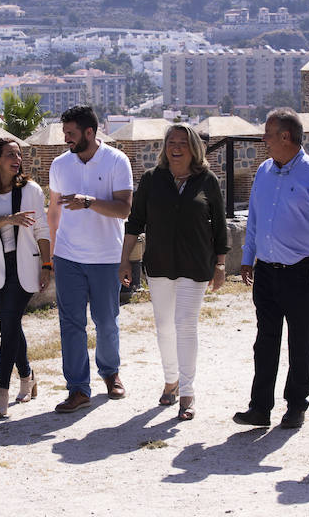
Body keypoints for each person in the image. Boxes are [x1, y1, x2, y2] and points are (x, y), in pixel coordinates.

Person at [234, 107, 309, 430]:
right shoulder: (264, 171)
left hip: (301, 271)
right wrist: (248, 256)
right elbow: (254, 218)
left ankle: (296, 405)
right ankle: (260, 407)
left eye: (268, 133)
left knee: (300, 341)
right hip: (266, 271)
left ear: (285, 136)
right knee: (265, 340)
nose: (263, 139)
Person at [120, 124, 229, 421]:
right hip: (160, 265)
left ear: (194, 147)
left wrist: (220, 265)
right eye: (171, 142)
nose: (176, 147)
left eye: (183, 142)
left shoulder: (207, 181)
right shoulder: (152, 180)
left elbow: (219, 226)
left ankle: (188, 392)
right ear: (165, 147)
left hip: (195, 266)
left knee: (185, 324)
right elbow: (135, 223)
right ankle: (171, 380)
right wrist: (124, 260)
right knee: (164, 326)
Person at [48, 105, 133, 413]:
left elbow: (124, 209)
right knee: (71, 324)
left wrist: (90, 202)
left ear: (89, 132)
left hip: (106, 257)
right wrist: (51, 255)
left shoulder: (116, 160)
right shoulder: (59, 164)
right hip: (67, 257)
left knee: (106, 321)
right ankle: (78, 389)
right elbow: (54, 211)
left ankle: (111, 374)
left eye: (71, 133)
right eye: (64, 133)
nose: (66, 139)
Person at [0, 138, 52, 417]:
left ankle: (2, 391)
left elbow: (42, 230)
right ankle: (27, 376)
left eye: (19, 154)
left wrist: (47, 265)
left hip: (24, 264)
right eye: (10, 154)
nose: (17, 159)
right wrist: (7, 219)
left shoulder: (32, 190)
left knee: (9, 324)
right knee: (10, 324)